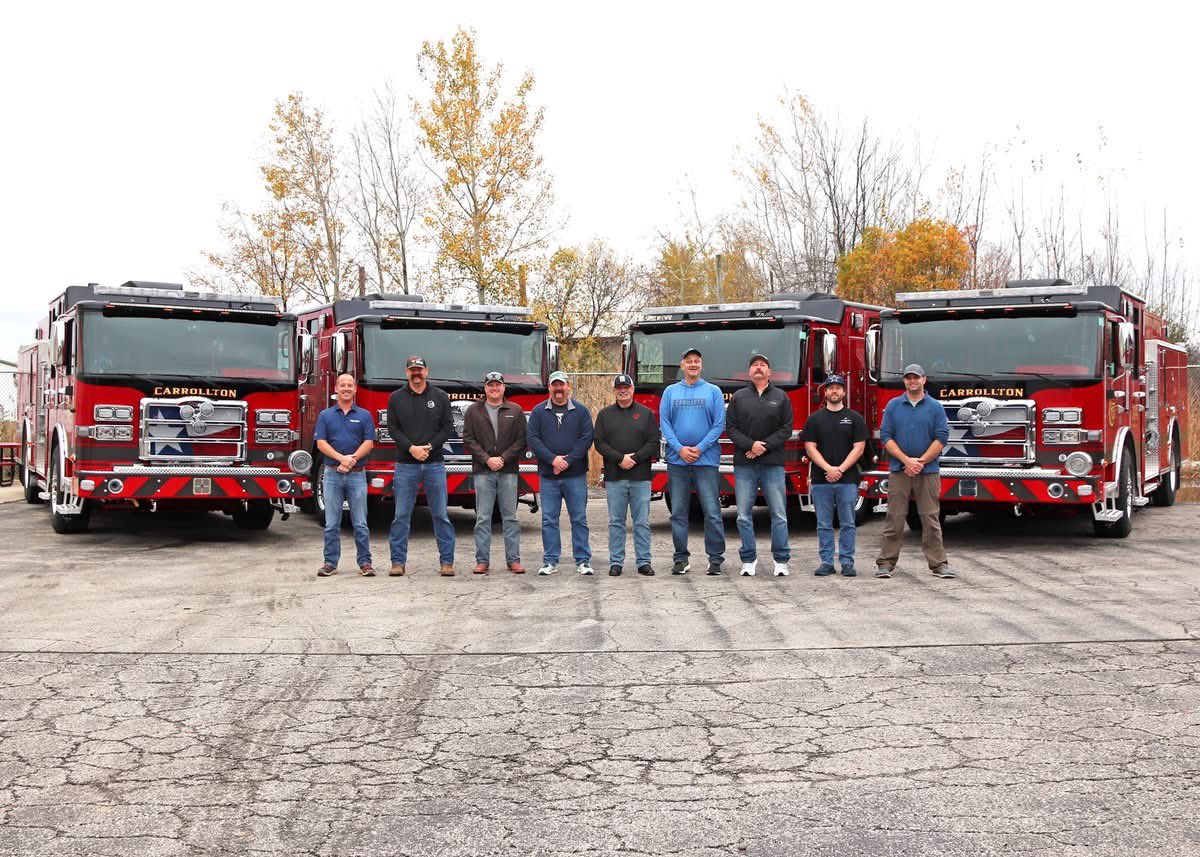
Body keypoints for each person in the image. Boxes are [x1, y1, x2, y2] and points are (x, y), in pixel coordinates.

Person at [875, 363, 954, 579]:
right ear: (904, 381)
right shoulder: (893, 406)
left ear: (923, 380)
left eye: (916, 378)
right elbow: (886, 436)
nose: (912, 381)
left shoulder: (935, 407)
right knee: (894, 518)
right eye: (908, 378)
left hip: (928, 472)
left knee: (930, 519)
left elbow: (942, 437)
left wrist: (920, 462)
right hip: (899, 471)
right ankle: (885, 563)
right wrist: (906, 461)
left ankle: (939, 564)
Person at [659, 347, 726, 576]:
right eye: (689, 361)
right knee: (678, 513)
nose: (693, 364)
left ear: (701, 365)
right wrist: (680, 448)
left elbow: (718, 425)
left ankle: (715, 559)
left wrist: (699, 448)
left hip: (706, 461)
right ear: (682, 365)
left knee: (712, 512)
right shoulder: (670, 392)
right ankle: (681, 559)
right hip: (677, 462)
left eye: (697, 361)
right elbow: (665, 424)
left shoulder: (713, 391)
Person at [386, 355, 456, 577]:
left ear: (426, 371)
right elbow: (392, 428)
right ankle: (398, 562)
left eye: (419, 369)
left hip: (434, 464)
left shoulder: (440, 397)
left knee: (440, 515)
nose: (416, 373)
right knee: (401, 515)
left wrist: (430, 446)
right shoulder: (395, 398)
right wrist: (411, 448)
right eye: (412, 370)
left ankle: (447, 562)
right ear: (407, 373)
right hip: (405, 465)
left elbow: (447, 427)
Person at [726, 352, 793, 577]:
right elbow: (731, 428)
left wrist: (763, 446)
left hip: (772, 463)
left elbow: (786, 428)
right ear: (749, 372)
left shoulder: (781, 397)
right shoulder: (739, 397)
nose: (758, 368)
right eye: (754, 365)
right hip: (745, 464)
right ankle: (748, 559)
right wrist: (750, 445)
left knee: (779, 514)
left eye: (762, 365)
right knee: (743, 515)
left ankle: (781, 560)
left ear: (769, 371)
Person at [527, 370, 595, 576]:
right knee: (549, 520)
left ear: (568, 387)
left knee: (579, 519)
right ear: (549, 388)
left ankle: (583, 561)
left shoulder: (581, 411)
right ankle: (550, 561)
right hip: (549, 477)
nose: (558, 389)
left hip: (575, 476)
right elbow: (533, 439)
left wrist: (566, 461)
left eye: (562, 385)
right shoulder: (538, 412)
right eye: (554, 385)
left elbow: (586, 438)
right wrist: (552, 460)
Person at [594, 373, 660, 577]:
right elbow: (599, 443)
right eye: (619, 388)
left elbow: (653, 442)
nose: (623, 391)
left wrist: (635, 458)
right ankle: (616, 562)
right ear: (614, 391)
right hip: (615, 476)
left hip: (641, 477)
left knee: (642, 522)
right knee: (616, 521)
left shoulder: (646, 414)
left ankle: (644, 562)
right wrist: (620, 458)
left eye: (626, 387)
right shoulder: (605, 415)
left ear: (633, 389)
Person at [462, 371, 527, 575]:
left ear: (503, 388)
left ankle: (513, 560)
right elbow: (468, 439)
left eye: (498, 385)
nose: (494, 388)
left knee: (510, 518)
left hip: (508, 471)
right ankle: (482, 561)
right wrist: (487, 459)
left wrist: (503, 459)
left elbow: (521, 441)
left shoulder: (515, 410)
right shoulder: (473, 411)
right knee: (483, 517)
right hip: (483, 471)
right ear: (485, 388)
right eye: (490, 385)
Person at [803, 373, 869, 577]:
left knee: (848, 523)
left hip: (847, 480)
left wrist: (840, 469)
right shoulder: (814, 419)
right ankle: (826, 562)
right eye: (831, 388)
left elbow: (859, 448)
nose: (834, 391)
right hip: (821, 480)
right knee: (823, 524)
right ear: (825, 392)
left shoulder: (855, 418)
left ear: (844, 392)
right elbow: (810, 448)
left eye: (838, 388)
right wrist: (828, 469)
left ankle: (847, 562)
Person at [314, 373, 376, 577]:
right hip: (332, 476)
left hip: (357, 475)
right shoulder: (325, 415)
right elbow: (321, 443)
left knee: (360, 523)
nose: (346, 388)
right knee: (331, 524)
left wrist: (352, 460)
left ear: (355, 389)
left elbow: (369, 443)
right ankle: (330, 563)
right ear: (336, 388)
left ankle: (365, 563)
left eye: (350, 385)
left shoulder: (365, 415)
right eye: (343, 385)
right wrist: (342, 459)